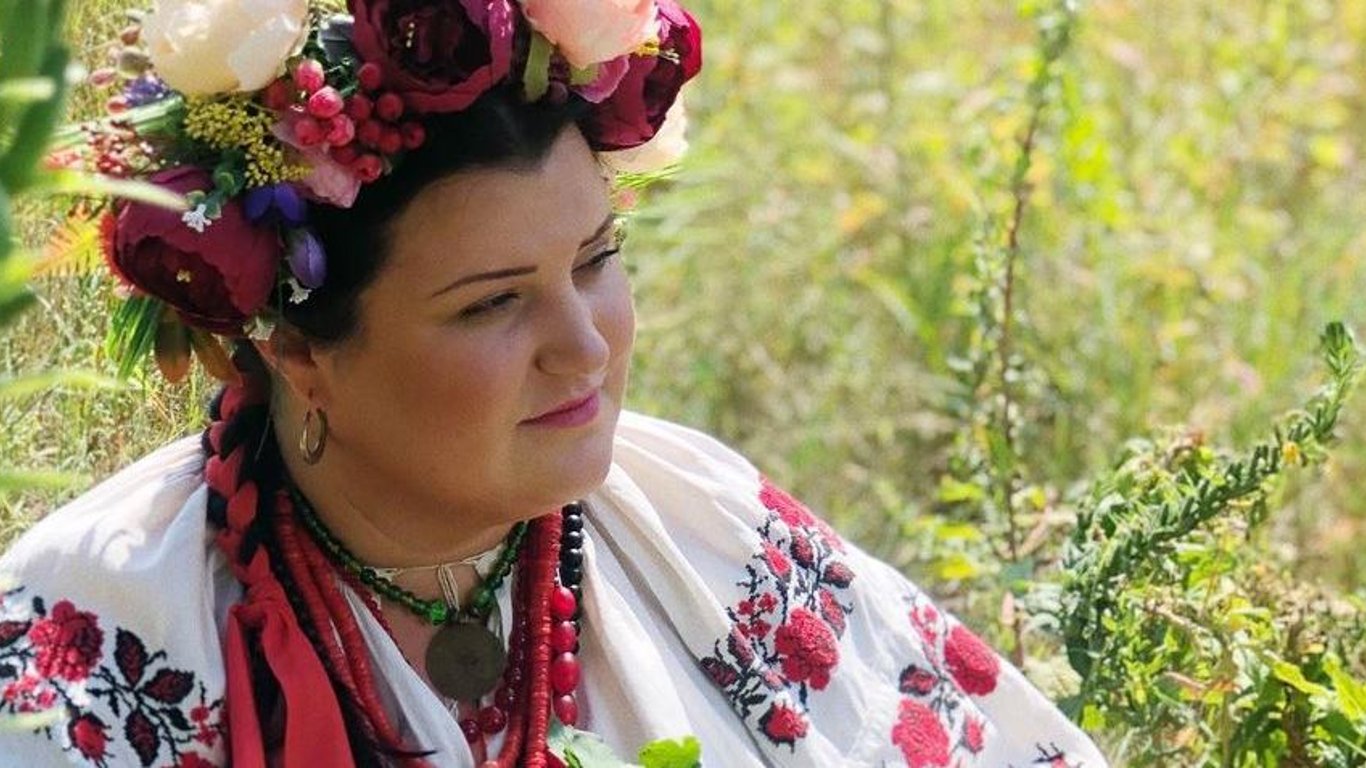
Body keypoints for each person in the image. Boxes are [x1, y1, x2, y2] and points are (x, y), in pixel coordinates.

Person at [0, 1, 1110, 766]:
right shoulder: (98, 640)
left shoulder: (697, 524)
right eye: (492, 303)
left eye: (595, 260)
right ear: (298, 352)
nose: (584, 348)